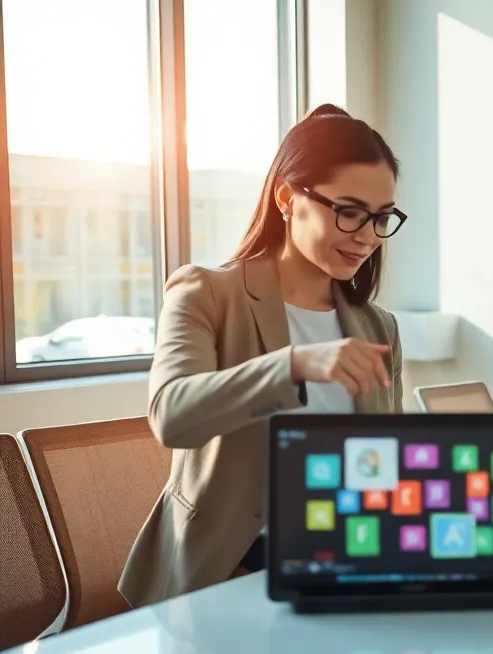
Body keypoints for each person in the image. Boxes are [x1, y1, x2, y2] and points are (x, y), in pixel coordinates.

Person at [118, 104, 408, 607]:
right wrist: (296, 364)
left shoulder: (377, 325)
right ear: (287, 199)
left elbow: (386, 463)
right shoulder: (205, 292)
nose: (367, 234)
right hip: (225, 572)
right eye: (350, 210)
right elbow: (172, 416)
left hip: (342, 564)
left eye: (382, 217)